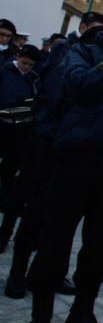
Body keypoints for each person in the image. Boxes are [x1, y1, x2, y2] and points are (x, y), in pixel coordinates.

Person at [26, 0, 103, 323]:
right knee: (54, 243)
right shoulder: (78, 53)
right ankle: (39, 318)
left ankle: (81, 314)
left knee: (98, 249)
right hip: (74, 163)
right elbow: (83, 86)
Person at [4, 14, 103, 299]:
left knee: (61, 224)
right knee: (35, 214)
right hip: (50, 148)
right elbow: (56, 101)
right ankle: (17, 274)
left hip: (77, 153)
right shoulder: (68, 59)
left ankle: (53, 272)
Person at [0, 44, 41, 251]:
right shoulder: (5, 71)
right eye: (24, 63)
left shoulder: (34, 79)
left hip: (20, 135)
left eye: (30, 65)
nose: (25, 67)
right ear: (18, 57)